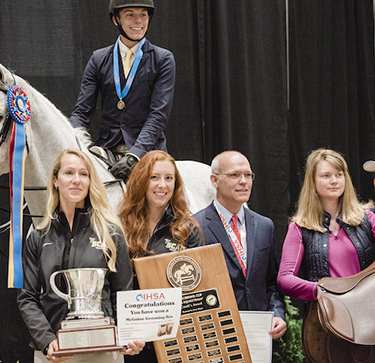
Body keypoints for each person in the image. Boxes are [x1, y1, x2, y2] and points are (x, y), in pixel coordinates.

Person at [17, 149, 144, 362]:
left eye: (83, 174)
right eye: (69, 173)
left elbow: (122, 293)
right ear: (55, 180)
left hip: (102, 350)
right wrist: (47, 341)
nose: (77, 180)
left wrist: (127, 334)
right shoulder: (38, 235)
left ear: (90, 181)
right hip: (54, 351)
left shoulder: (111, 232)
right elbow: (27, 297)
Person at [69, 0, 175, 181]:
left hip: (147, 152)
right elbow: (82, 112)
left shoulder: (162, 59)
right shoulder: (99, 59)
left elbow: (158, 115)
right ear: (115, 19)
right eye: (130, 15)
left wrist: (135, 155)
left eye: (143, 15)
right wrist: (79, 142)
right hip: (106, 151)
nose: (138, 21)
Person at [277, 149, 375, 359]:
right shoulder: (300, 228)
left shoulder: (367, 219)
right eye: (326, 175)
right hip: (326, 323)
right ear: (313, 182)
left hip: (369, 319)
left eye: (339, 175)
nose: (334, 181)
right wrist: (323, 292)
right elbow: (285, 280)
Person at [119, 150, 204, 362]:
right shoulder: (119, 227)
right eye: (154, 177)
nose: (162, 185)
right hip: (133, 342)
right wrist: (124, 333)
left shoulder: (188, 229)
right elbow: (114, 285)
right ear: (141, 182)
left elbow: (196, 289)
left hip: (174, 341)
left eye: (169, 178)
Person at [193, 151, 287, 340]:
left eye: (248, 175)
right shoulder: (195, 226)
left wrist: (277, 313)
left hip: (259, 334)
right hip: (217, 335)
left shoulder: (264, 226)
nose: (243, 181)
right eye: (234, 175)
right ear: (214, 180)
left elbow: (270, 284)